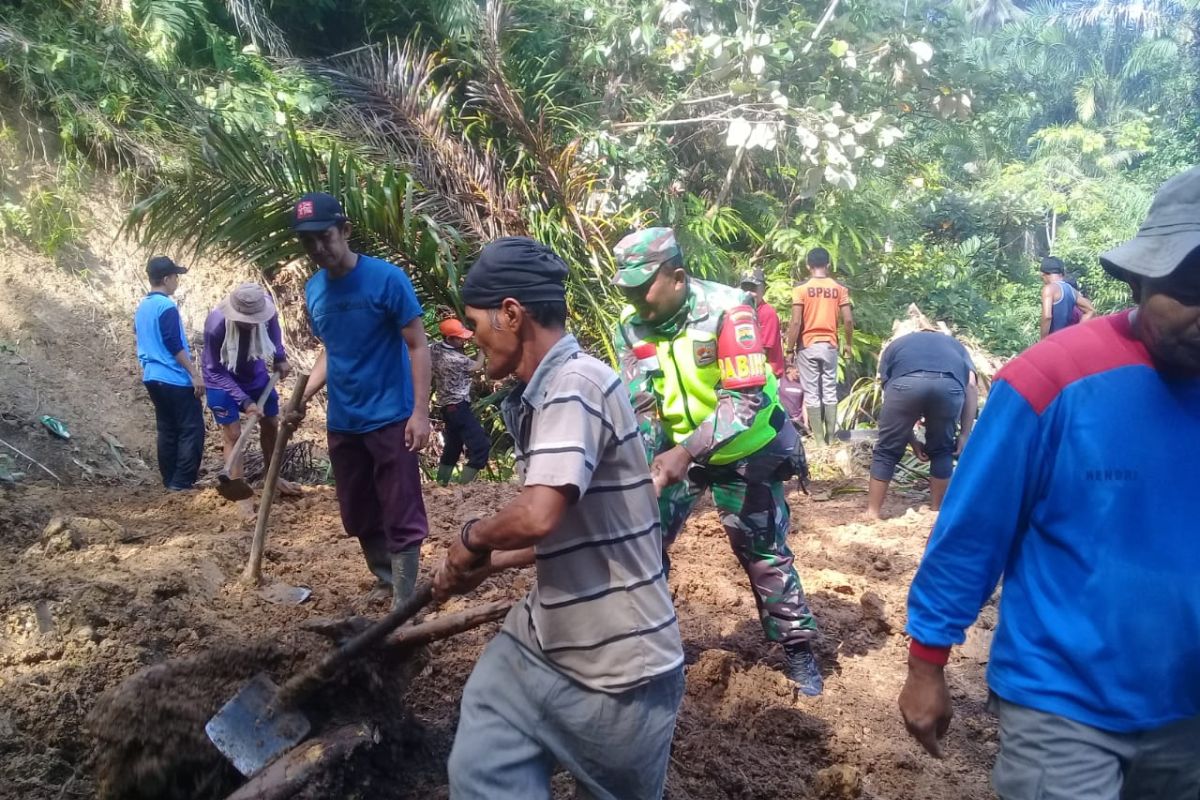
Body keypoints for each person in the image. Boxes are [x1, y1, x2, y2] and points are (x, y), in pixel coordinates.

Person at [899, 167, 1200, 799]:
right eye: (1192, 287)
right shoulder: (1052, 377)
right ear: (1143, 281)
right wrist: (927, 661)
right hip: (1063, 705)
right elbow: (973, 528)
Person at [434, 237, 684, 799]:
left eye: (475, 325)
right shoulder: (542, 394)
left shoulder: (576, 384)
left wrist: (472, 540)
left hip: (621, 672)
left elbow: (540, 514)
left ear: (512, 315)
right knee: (485, 741)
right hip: (548, 640)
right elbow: (571, 525)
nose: (473, 343)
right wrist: (489, 564)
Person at [611, 227, 823, 695]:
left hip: (745, 449)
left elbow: (743, 400)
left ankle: (798, 651)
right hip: (677, 451)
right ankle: (651, 645)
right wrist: (650, 465)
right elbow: (642, 402)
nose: (635, 301)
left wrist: (681, 455)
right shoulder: (631, 325)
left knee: (763, 552)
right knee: (644, 542)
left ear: (678, 278)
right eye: (626, 290)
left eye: (642, 288)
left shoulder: (730, 312)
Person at [288, 192, 432, 610]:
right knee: (358, 508)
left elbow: (418, 345)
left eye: (325, 236)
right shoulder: (314, 290)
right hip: (344, 420)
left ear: (345, 230)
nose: (318, 248)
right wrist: (301, 398)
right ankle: (385, 578)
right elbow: (330, 350)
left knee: (400, 506)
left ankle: (404, 598)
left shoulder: (387, 280)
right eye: (308, 241)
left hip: (390, 416)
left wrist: (420, 413)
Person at [201, 283, 299, 504]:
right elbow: (214, 370)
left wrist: (280, 357)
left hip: (254, 372)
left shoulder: (267, 309)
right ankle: (239, 492)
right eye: (245, 320)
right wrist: (244, 401)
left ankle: (272, 478)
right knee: (233, 435)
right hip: (221, 379)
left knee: (271, 424)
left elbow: (274, 330)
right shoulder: (215, 326)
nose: (251, 324)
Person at [866, 329, 977, 519]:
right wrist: (965, 434)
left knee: (886, 450)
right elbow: (971, 387)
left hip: (905, 385)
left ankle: (872, 512)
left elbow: (892, 398)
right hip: (948, 386)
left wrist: (909, 439)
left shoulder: (897, 344)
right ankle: (937, 511)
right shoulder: (956, 346)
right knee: (943, 449)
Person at [134, 256, 205, 491]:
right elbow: (174, 343)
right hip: (173, 376)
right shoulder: (166, 307)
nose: (177, 281)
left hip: (152, 376)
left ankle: (170, 480)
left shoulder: (143, 306)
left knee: (167, 429)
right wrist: (194, 373)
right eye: (175, 276)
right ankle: (182, 482)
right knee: (190, 428)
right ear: (166, 279)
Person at [786, 247, 854, 445]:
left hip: (808, 345)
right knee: (830, 391)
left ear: (808, 266)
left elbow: (796, 322)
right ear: (828, 265)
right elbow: (848, 320)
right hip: (830, 345)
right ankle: (831, 438)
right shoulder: (839, 289)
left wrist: (789, 350)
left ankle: (819, 442)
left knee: (812, 393)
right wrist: (848, 344)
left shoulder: (801, 289)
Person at [430, 317, 490, 485]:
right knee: (480, 446)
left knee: (453, 448)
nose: (464, 340)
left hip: (447, 408)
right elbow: (477, 366)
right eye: (460, 338)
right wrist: (483, 349)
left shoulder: (434, 349)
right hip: (458, 407)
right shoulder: (456, 360)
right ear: (449, 338)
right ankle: (464, 487)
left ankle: (440, 485)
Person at [739, 270, 786, 377]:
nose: (748, 293)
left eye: (753, 288)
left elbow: (763, 351)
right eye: (745, 288)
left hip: (768, 374)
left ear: (763, 290)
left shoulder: (767, 313)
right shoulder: (739, 312)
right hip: (747, 371)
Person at [1040, 256, 1095, 337]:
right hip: (1065, 340)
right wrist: (1076, 332)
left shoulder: (1049, 289)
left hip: (1053, 341)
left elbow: (1047, 317)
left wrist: (1042, 341)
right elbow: (1091, 310)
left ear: (1044, 274)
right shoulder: (1072, 290)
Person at [779, 363, 809, 434]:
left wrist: (806, 423)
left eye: (800, 373)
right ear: (790, 370)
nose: (799, 374)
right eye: (797, 372)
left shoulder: (802, 385)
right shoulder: (780, 382)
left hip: (798, 421)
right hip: (784, 419)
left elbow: (804, 405)